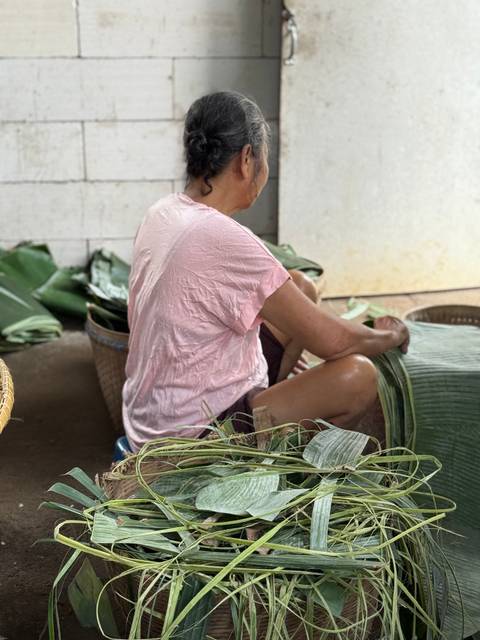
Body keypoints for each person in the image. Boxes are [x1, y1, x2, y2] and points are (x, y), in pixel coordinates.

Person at [122, 91, 409, 451]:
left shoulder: (163, 211)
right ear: (246, 159)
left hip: (152, 411)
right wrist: (390, 336)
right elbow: (335, 342)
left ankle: (268, 411)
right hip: (196, 433)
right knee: (358, 376)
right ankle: (264, 459)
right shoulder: (224, 238)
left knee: (300, 287)